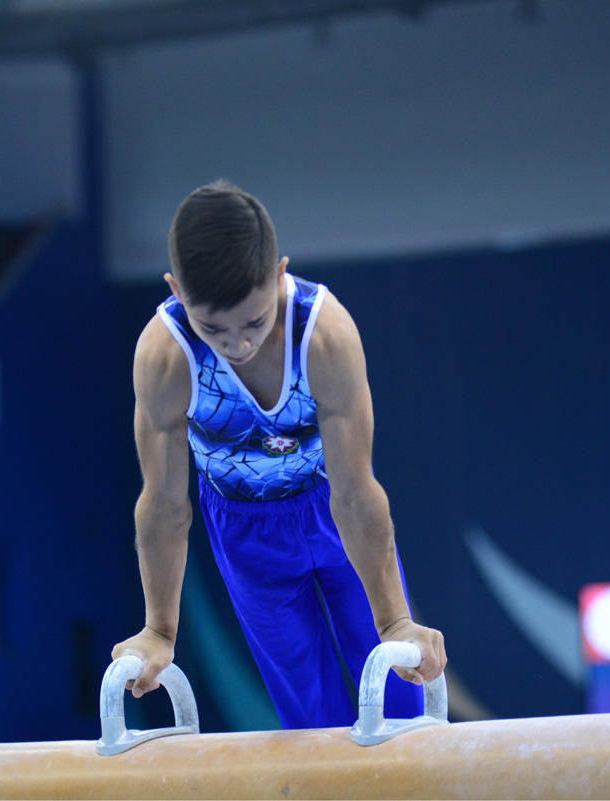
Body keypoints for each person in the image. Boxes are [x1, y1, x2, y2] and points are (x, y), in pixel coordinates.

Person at [112, 179, 447, 729]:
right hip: (244, 533)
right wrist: (160, 631)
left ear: (279, 273)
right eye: (212, 327)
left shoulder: (323, 334)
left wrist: (394, 624)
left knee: (397, 692)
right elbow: (165, 503)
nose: (237, 344)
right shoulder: (165, 355)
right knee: (309, 718)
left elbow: (356, 490)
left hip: (333, 510)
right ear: (176, 290)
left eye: (254, 321)